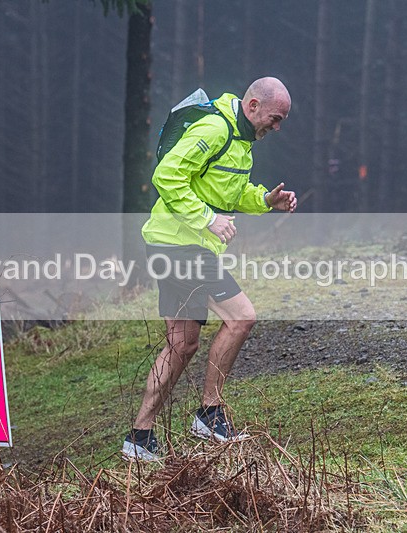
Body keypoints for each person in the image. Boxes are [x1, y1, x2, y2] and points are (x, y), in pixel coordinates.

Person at [122, 77, 297, 461]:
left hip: (181, 243)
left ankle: (139, 436)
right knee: (242, 318)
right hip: (178, 243)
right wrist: (206, 219)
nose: (277, 126)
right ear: (253, 106)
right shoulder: (215, 128)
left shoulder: (242, 142)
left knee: (182, 345)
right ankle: (209, 412)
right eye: (275, 117)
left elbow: (229, 195)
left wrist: (266, 200)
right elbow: (166, 175)